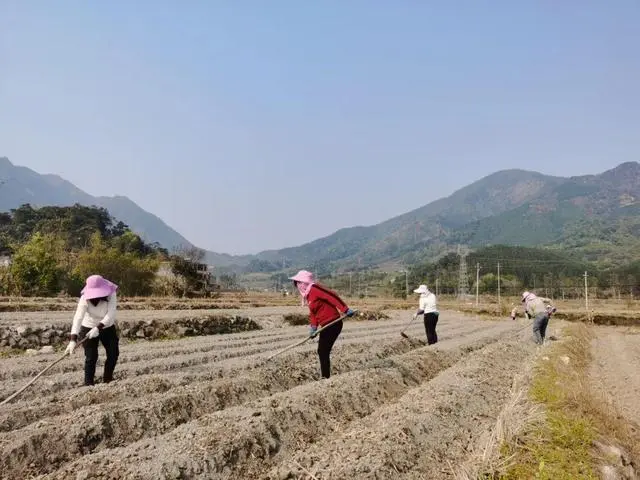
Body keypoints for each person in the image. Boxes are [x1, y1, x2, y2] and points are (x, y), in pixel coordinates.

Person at [289, 270, 355, 379]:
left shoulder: (314, 289)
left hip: (334, 323)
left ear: (303, 282)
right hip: (325, 325)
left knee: (322, 350)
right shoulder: (309, 295)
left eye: (297, 283)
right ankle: (325, 376)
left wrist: (345, 309)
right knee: (322, 351)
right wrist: (313, 328)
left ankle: (325, 377)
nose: (297, 286)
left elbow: (332, 296)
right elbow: (313, 313)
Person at [65, 275, 120, 386]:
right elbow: (78, 317)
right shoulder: (84, 298)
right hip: (88, 326)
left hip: (107, 326)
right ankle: (88, 384)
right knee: (91, 357)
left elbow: (111, 314)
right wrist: (73, 339)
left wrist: (98, 328)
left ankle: (108, 380)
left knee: (113, 353)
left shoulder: (111, 293)